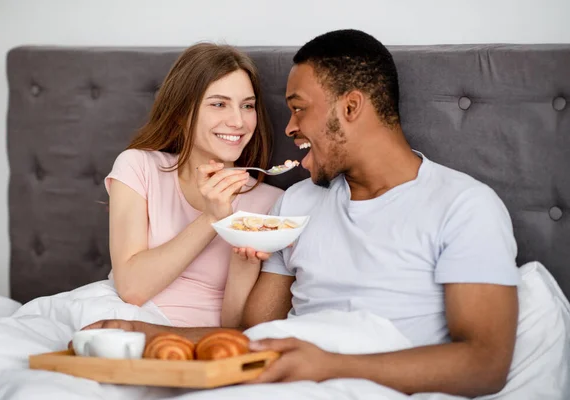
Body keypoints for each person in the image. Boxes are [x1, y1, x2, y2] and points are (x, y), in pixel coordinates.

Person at [84, 30, 520, 397]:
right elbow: (256, 337)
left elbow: (485, 365)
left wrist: (330, 365)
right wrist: (148, 334)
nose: (288, 128)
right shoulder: (295, 205)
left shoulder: (464, 206)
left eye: (298, 108)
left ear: (350, 108)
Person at [103, 42, 283, 330]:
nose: (238, 121)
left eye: (247, 106)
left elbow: (238, 328)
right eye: (219, 104)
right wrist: (212, 218)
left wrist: (244, 268)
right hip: (123, 318)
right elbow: (132, 288)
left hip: (202, 338)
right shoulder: (139, 167)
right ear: (181, 112)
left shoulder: (273, 204)